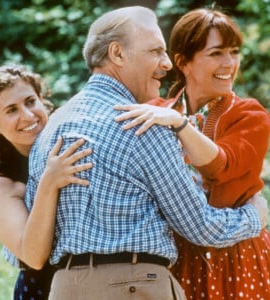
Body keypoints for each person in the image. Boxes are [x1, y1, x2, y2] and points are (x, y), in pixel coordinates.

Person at [23, 6, 268, 300]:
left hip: (65, 288)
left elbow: (35, 250)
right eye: (154, 51)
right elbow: (200, 226)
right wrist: (254, 216)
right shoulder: (145, 124)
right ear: (117, 54)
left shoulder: (51, 128)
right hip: (137, 285)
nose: (166, 64)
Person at [114, 7, 270, 300]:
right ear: (183, 62)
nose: (229, 63)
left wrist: (180, 125)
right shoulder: (156, 112)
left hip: (236, 258)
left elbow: (222, 167)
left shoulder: (250, 114)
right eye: (216, 53)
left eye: (234, 52)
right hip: (171, 258)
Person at [0, 64, 93, 299]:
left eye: (30, 102)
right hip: (41, 291)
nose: (27, 116)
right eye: (11, 110)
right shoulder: (2, 186)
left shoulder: (77, 146)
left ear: (42, 100)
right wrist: (49, 182)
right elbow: (33, 257)